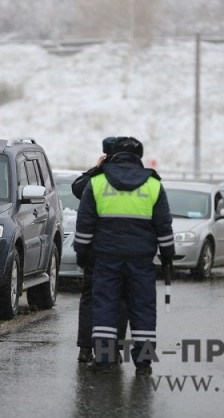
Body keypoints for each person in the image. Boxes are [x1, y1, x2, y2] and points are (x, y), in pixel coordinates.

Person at [74, 136, 175, 375]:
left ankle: (105, 358)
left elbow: (85, 224)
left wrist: (81, 253)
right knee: (143, 310)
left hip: (106, 259)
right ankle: (144, 363)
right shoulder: (153, 185)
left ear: (111, 156)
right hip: (141, 261)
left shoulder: (97, 183)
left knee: (105, 307)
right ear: (138, 157)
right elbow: (164, 225)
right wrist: (168, 255)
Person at [72, 136, 129, 363]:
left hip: (97, 250)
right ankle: (112, 349)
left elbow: (77, 188)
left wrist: (96, 168)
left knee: (90, 298)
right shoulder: (137, 177)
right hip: (125, 250)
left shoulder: (97, 179)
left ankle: (85, 348)